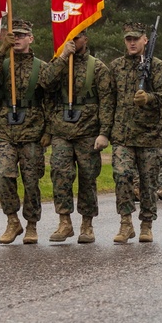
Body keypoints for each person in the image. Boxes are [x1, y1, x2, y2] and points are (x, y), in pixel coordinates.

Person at [41, 31, 114, 244]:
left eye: (78, 37)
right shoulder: (57, 63)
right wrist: (63, 57)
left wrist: (104, 132)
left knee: (87, 178)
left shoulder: (98, 67)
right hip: (61, 131)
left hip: (88, 132)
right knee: (60, 175)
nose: (73, 40)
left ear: (86, 40)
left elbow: (107, 102)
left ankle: (87, 224)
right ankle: (64, 222)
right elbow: (45, 84)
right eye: (69, 36)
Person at [0, 19, 48, 245]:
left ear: (31, 38)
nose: (18, 39)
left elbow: (49, 100)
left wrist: (47, 131)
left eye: (22, 35)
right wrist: (1, 50)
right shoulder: (1, 63)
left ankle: (31, 224)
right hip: (5, 130)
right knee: (3, 177)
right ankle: (12, 221)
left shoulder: (41, 67)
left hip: (32, 131)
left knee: (31, 181)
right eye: (14, 35)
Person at [109, 21, 162, 243]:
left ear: (145, 40)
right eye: (128, 39)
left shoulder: (156, 66)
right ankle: (125, 223)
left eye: (136, 38)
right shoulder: (116, 67)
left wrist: (149, 98)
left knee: (148, 183)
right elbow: (109, 101)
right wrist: (105, 131)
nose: (132, 42)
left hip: (150, 136)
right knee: (122, 176)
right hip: (123, 135)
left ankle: (146, 224)